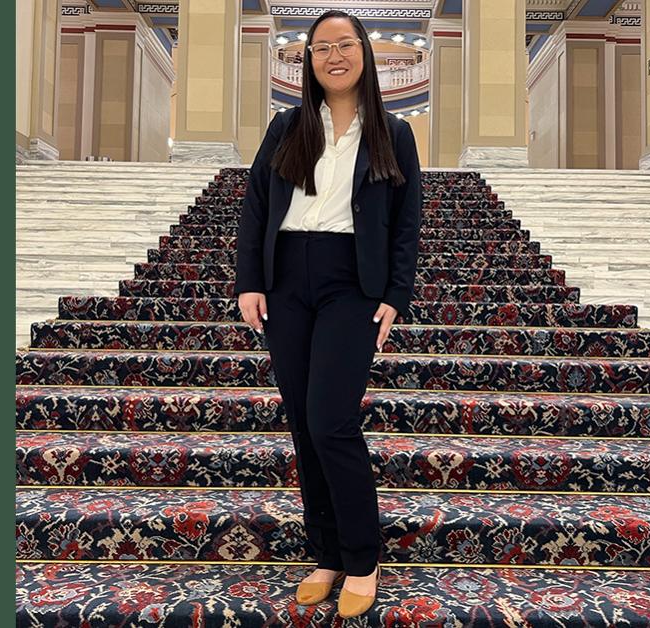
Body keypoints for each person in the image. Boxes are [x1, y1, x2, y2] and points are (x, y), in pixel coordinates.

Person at [233, 9, 422, 618]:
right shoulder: (287, 126)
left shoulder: (392, 132)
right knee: (301, 421)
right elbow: (256, 206)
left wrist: (395, 294)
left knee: (330, 420)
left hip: (352, 283)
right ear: (306, 60)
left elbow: (406, 223)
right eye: (319, 48)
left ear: (363, 52)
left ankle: (362, 557)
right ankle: (328, 553)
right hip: (288, 278)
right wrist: (250, 282)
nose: (332, 56)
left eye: (343, 44)